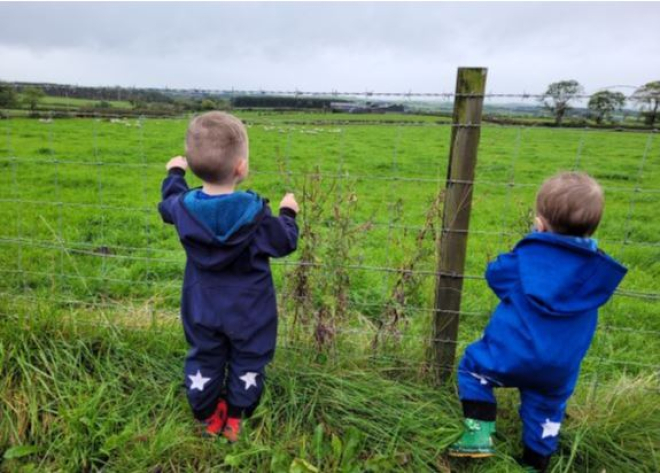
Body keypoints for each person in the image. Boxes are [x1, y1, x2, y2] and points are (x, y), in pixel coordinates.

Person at [448, 172, 627, 472]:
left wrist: (525, 245)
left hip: (509, 355)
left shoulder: (523, 262)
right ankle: (535, 463)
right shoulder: (595, 273)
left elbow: (495, 275)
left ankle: (478, 436)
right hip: (558, 368)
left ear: (540, 223)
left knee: (472, 369)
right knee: (547, 410)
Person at [158, 111, 299, 442]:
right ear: (241, 168)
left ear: (193, 166)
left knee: (205, 354)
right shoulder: (256, 217)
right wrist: (288, 212)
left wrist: (174, 173)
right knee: (248, 358)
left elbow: (168, 201)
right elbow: (285, 241)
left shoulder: (183, 208)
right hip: (251, 310)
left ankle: (206, 413)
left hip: (201, 305)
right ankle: (238, 415)